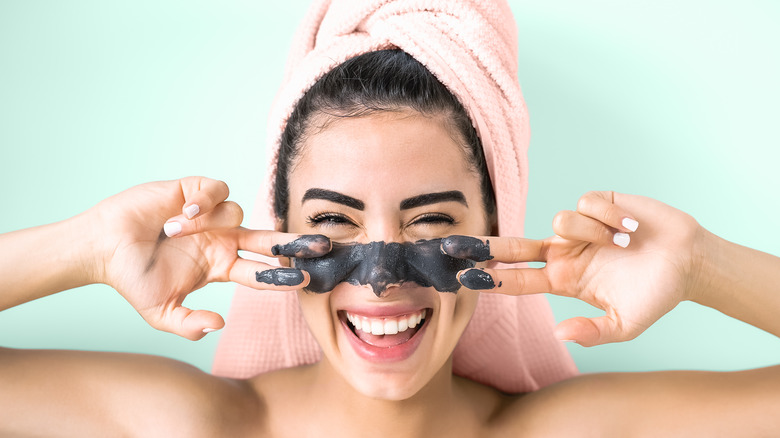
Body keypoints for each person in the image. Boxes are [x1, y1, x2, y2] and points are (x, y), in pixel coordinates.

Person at [3, 49, 780, 437]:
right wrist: (90, 248)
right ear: (276, 240)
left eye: (435, 224)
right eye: (333, 224)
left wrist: (701, 267)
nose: (380, 280)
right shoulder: (187, 426)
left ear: (495, 231)